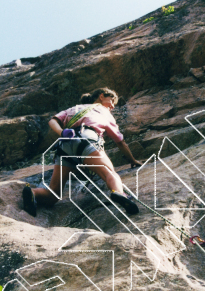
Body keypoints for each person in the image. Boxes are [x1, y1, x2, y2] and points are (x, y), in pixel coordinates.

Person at [22, 87, 143, 217]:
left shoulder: (74, 108)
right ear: (101, 96)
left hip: (64, 146)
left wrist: (62, 132)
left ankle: (33, 193)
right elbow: (120, 141)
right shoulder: (103, 111)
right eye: (112, 101)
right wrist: (132, 160)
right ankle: (119, 193)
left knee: (53, 194)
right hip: (88, 140)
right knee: (109, 173)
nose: (113, 106)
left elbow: (53, 120)